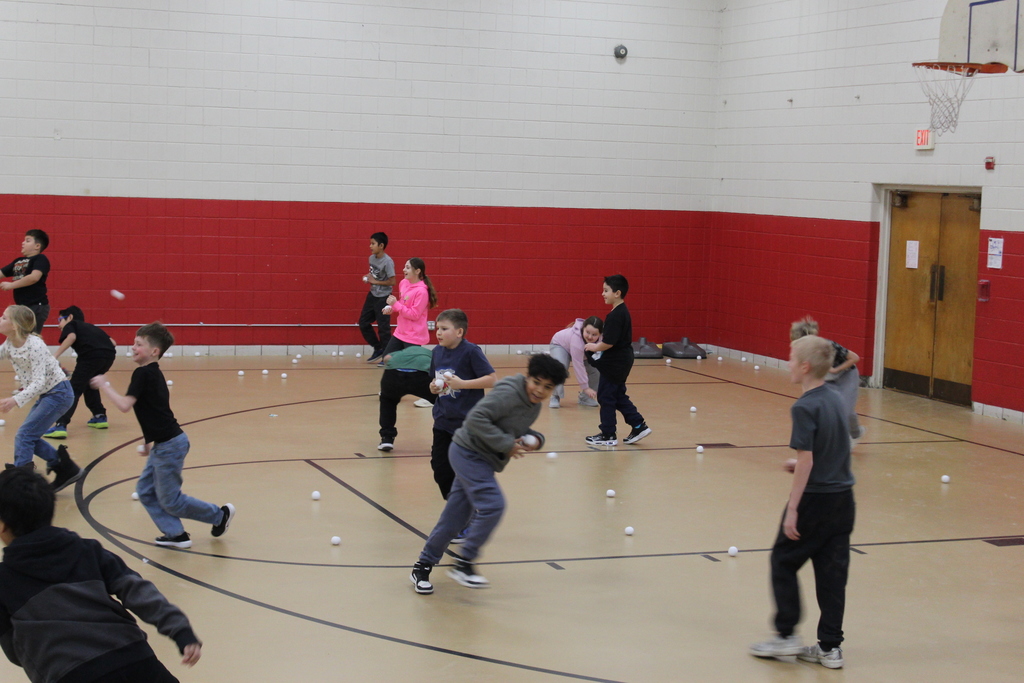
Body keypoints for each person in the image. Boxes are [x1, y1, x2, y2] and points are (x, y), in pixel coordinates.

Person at [0, 467, 202, 682]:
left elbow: (14, 651)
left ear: (3, 525)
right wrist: (180, 630)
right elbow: (137, 590)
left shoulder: (4, 581)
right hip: (134, 658)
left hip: (72, 674)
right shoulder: (87, 550)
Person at [409, 354, 568, 595]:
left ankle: (422, 565)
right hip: (467, 452)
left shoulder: (532, 404)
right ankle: (464, 563)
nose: (539, 390)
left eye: (547, 387)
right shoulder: (508, 392)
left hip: (482, 459)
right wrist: (506, 443)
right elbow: (476, 418)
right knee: (493, 504)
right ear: (528, 377)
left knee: (454, 519)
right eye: (536, 382)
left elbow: (516, 428)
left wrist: (536, 439)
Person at [748, 335, 855, 670]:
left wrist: (793, 508)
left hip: (814, 501)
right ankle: (830, 648)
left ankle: (785, 636)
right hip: (843, 500)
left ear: (806, 367)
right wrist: (808, 464)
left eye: (792, 358)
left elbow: (806, 460)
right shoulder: (836, 397)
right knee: (832, 574)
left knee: (783, 560)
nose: (789, 362)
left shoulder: (804, 406)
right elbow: (837, 445)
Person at [90, 323, 234, 549]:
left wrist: (104, 385)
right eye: (134, 343)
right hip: (164, 444)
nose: (133, 347)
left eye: (139, 344)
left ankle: (219, 515)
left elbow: (126, 405)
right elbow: (153, 411)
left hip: (170, 445)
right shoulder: (153, 374)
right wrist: (149, 442)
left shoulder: (143, 373)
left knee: (172, 502)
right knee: (146, 492)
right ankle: (176, 534)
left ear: (154, 351)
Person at [0, 305, 81, 491]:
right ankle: (66, 467)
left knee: (24, 435)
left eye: (4, 317)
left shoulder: (34, 345)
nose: (0, 319)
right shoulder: (10, 343)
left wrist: (15, 400)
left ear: (15, 326)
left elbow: (38, 381)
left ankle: (22, 485)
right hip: (48, 394)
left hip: (59, 393)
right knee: (30, 436)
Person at [428, 309, 496, 499]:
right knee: (440, 469)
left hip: (467, 424)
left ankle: (470, 507)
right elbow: (434, 380)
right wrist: (433, 387)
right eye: (437, 328)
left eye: (444, 328)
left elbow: (492, 379)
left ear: (459, 332)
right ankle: (456, 505)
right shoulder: (436, 352)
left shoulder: (471, 351)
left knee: (468, 470)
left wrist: (464, 384)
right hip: (442, 421)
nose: (438, 333)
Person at [583, 275, 651, 446]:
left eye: (606, 290)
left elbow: (609, 343)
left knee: (606, 397)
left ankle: (608, 434)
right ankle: (638, 425)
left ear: (617, 293)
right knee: (617, 395)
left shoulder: (615, 315)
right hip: (622, 360)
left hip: (615, 363)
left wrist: (593, 347)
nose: (602, 294)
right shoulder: (621, 311)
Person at [43, 306, 117, 439]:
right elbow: (113, 342)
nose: (59, 324)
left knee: (73, 390)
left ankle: (61, 424)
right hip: (109, 356)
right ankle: (99, 415)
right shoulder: (92, 327)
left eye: (60, 320)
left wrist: (55, 356)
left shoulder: (72, 324)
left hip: (90, 357)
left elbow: (71, 337)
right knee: (90, 384)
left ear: (70, 317)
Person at [790, 316, 864, 442]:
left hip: (846, 375)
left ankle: (854, 434)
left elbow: (855, 358)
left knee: (846, 410)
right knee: (832, 409)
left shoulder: (827, 346)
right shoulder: (801, 353)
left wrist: (836, 369)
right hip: (828, 378)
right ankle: (837, 438)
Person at [377, 344, 436, 452]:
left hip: (393, 375)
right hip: (420, 376)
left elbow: (386, 359)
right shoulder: (430, 353)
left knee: (388, 401)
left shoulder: (399, 353)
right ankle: (442, 440)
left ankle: (387, 439)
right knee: (441, 403)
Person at [380, 257, 436, 358]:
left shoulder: (422, 292)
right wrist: (391, 308)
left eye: (407, 267)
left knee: (409, 365)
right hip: (400, 332)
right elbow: (403, 304)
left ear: (417, 271)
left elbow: (414, 315)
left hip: (413, 336)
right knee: (387, 358)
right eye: (404, 267)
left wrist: (395, 304)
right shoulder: (404, 283)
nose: (403, 270)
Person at [0, 230, 52, 334]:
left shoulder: (40, 259)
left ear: (37, 246)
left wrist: (11, 285)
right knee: (19, 336)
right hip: (21, 307)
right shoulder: (18, 261)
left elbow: (34, 277)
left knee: (31, 338)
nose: (23, 243)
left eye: (27, 241)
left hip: (36, 306)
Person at [548, 316, 602, 409]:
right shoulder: (577, 340)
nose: (590, 337)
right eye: (587, 332)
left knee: (596, 371)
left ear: (600, 334)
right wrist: (586, 387)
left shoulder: (603, 340)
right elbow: (578, 365)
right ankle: (555, 396)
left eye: (594, 335)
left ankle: (585, 398)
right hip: (561, 345)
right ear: (583, 329)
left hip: (583, 351)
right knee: (560, 368)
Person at [358, 232, 395, 365]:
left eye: (373, 244)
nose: (370, 246)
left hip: (384, 298)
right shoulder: (372, 259)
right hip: (372, 295)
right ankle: (378, 348)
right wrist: (368, 277)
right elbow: (374, 274)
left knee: (383, 328)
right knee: (363, 323)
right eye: (370, 243)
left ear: (381, 245)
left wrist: (375, 281)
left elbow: (392, 281)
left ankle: (387, 356)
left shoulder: (388, 262)